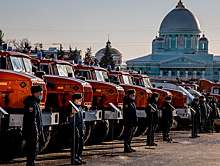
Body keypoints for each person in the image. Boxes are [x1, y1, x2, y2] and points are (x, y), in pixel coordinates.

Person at [23, 85, 45, 166]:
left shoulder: (35, 103)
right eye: (40, 93)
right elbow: (33, 120)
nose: (41, 95)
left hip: (34, 132)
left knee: (34, 153)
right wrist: (36, 133)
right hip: (32, 133)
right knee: (32, 153)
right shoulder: (31, 104)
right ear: (35, 93)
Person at [67, 93, 86, 165]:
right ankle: (74, 159)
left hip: (80, 129)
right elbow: (72, 121)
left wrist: (84, 128)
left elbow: (81, 119)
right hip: (75, 129)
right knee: (75, 145)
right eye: (80, 99)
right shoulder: (71, 107)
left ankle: (78, 157)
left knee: (81, 144)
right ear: (75, 100)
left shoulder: (79, 107)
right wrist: (76, 130)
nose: (81, 101)